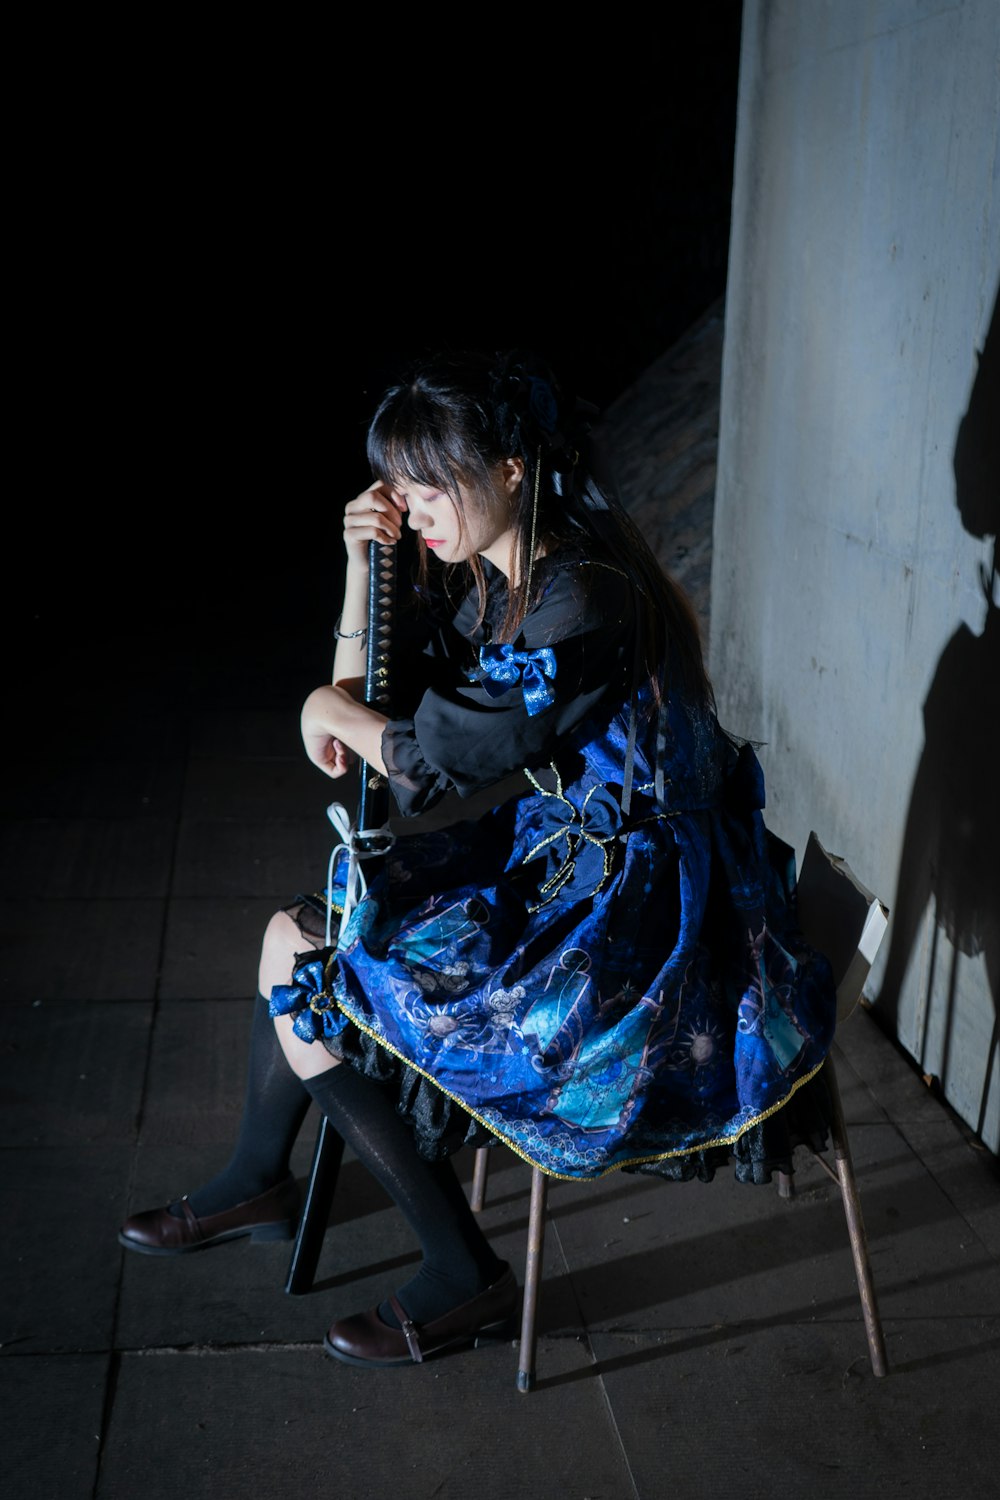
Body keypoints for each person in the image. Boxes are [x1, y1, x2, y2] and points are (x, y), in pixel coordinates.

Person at [120, 350, 836, 1367]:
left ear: (509, 469)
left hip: (641, 927)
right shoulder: (509, 576)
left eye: (426, 481)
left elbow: (438, 755)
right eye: (395, 484)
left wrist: (330, 712)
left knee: (335, 971)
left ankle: (464, 1276)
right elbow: (371, 707)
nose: (408, 506)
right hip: (575, 864)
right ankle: (257, 1180)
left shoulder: (581, 596)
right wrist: (361, 570)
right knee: (301, 933)